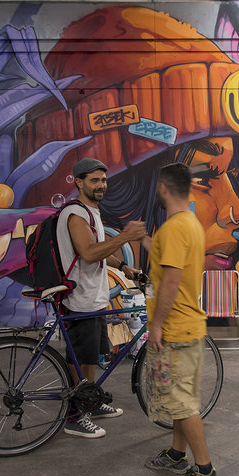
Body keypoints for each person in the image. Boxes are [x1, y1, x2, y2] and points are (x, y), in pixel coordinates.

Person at [143, 162, 220, 476]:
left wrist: (157, 326)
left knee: (183, 404)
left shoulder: (175, 228)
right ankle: (177, 454)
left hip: (176, 329)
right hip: (190, 327)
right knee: (181, 400)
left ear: (163, 187)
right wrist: (142, 239)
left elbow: (171, 282)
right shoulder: (189, 224)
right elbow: (167, 259)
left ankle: (205, 471)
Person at [57, 157, 146, 438]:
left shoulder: (90, 211)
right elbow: (88, 253)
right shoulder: (75, 214)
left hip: (94, 297)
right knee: (80, 360)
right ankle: (74, 416)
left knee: (91, 357)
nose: (101, 185)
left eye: (104, 180)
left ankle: (90, 402)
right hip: (80, 299)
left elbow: (99, 249)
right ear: (78, 182)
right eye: (94, 180)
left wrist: (123, 266)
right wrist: (125, 236)